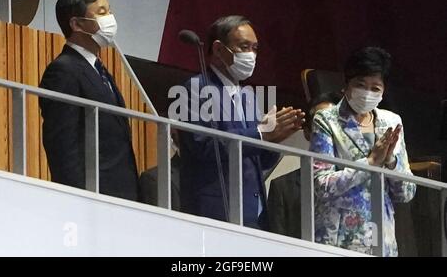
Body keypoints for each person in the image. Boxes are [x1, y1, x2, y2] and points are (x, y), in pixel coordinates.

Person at [178, 15, 305, 229]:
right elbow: (204, 147)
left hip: (253, 211)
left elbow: (259, 162)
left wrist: (272, 141)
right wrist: (260, 134)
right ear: (218, 49)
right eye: (244, 47)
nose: (251, 55)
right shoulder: (194, 88)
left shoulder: (248, 96)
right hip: (214, 209)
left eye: (255, 48)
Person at [310, 46, 416, 256]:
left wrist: (391, 161)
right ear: (346, 84)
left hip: (381, 237)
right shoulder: (326, 120)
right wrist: (369, 163)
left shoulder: (392, 122)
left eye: (375, 88)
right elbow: (321, 184)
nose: (367, 93)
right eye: (360, 85)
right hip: (338, 237)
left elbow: (406, 193)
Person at [39, 0, 139, 201]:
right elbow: (62, 144)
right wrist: (77, 197)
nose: (110, 19)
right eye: (101, 12)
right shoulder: (63, 70)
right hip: (92, 195)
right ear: (76, 24)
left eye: (109, 11)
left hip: (122, 192)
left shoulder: (100, 69)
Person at [267, 92, 342, 238]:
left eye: (334, 123)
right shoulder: (282, 188)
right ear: (307, 132)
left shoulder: (362, 180)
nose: (327, 131)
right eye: (320, 125)